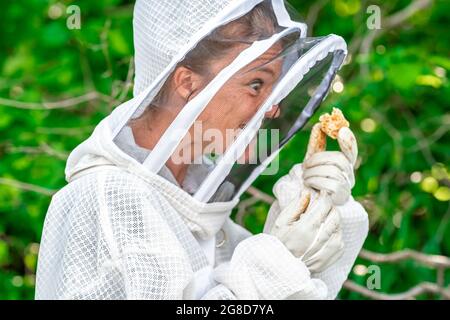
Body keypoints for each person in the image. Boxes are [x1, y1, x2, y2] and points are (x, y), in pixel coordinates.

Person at [35, 0, 368, 300]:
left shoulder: (210, 222)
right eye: (256, 84)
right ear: (187, 82)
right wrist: (274, 262)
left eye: (275, 90)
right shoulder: (106, 200)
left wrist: (321, 213)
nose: (273, 110)